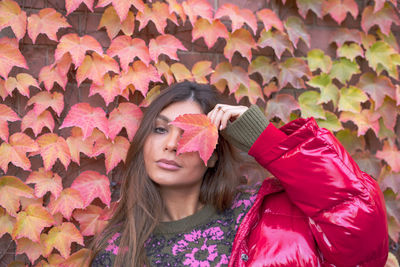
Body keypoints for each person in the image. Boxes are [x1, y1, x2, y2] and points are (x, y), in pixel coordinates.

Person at [90, 81, 388, 266]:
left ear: (213, 155)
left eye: (187, 134)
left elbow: (362, 239)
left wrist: (267, 140)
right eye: (159, 129)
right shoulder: (117, 250)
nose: (170, 145)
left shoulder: (271, 215)